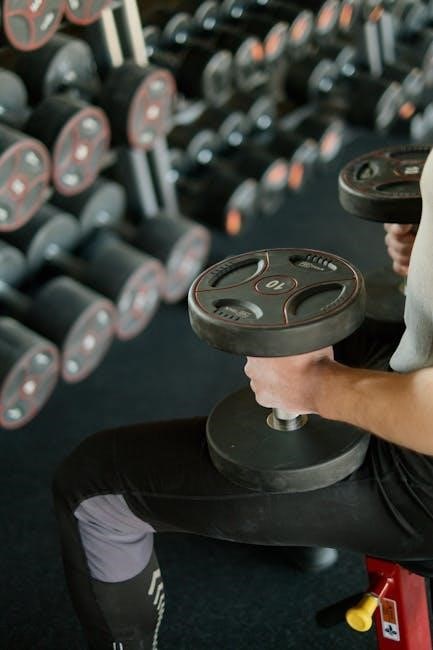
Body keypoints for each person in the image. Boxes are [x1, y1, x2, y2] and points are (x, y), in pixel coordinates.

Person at [52, 150, 433, 650]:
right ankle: (310, 537)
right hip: (413, 367)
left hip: (420, 478)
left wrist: (316, 386)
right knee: (307, 329)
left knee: (93, 487)